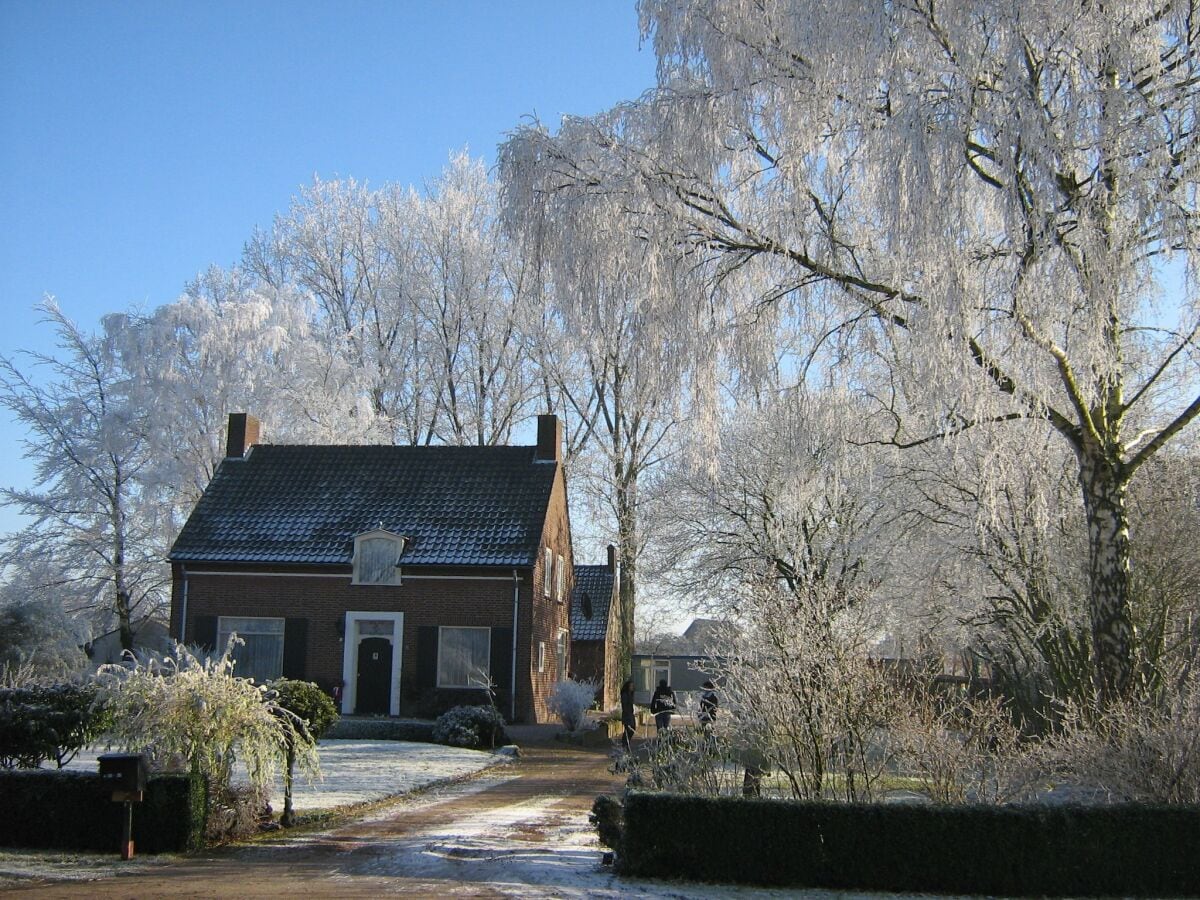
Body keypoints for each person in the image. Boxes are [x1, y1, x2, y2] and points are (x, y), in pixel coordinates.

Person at [619, 678, 637, 752]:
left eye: (633, 686)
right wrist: (627, 713)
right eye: (631, 686)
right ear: (628, 686)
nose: (632, 687)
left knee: (632, 729)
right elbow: (625, 704)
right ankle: (625, 744)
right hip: (627, 714)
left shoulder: (630, 694)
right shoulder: (625, 694)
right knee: (628, 729)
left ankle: (626, 742)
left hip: (630, 714)